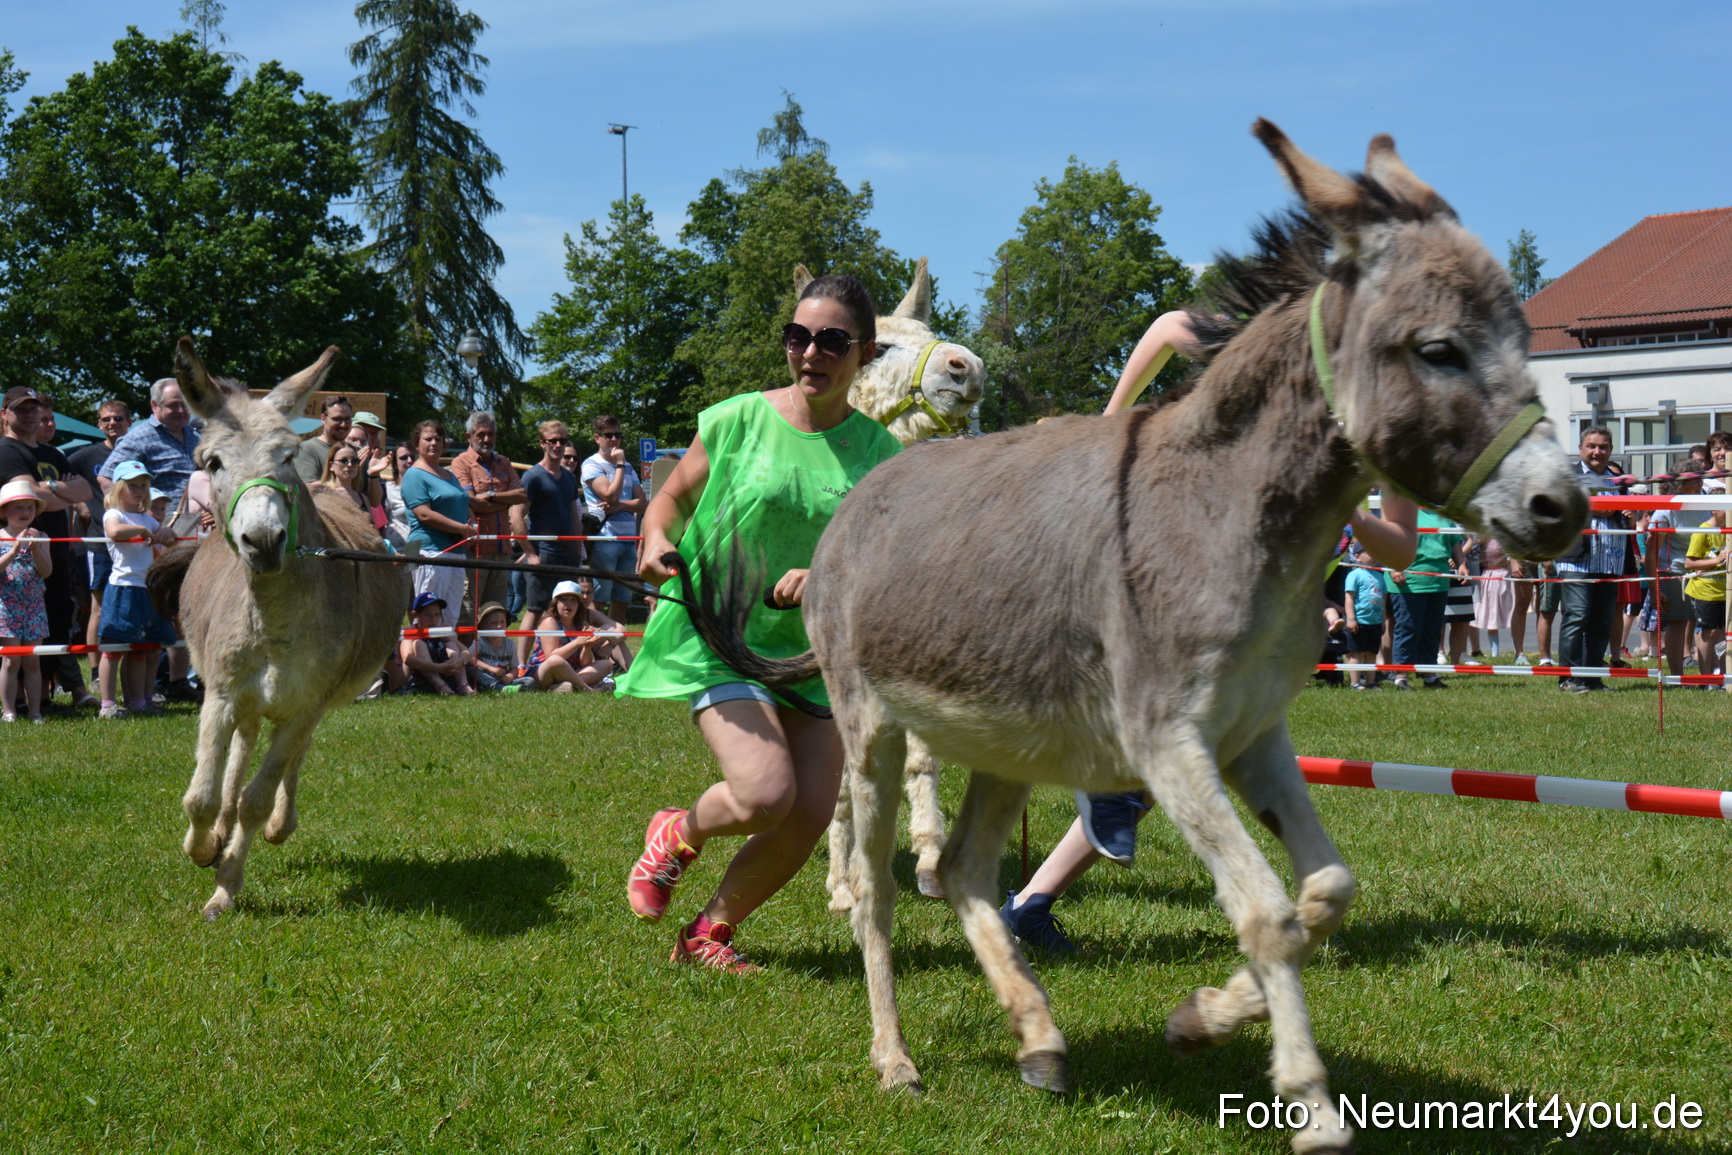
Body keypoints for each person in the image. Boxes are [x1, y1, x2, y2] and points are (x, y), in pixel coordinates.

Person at [1001, 311, 1421, 953]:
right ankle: (1097, 758)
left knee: (1169, 762)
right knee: (1173, 741)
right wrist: (1113, 417)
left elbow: (1402, 552)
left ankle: (1031, 903)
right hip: (1195, 571)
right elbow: (1172, 328)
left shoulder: (1393, 435)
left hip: (1274, 625)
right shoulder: (1296, 366)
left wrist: (1354, 512)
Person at [618, 273, 901, 972]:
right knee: (765, 791)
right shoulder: (737, 419)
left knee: (806, 812)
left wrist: (827, 577)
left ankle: (708, 933)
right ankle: (677, 832)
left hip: (813, 651)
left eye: (832, 340)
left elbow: (889, 562)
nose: (812, 352)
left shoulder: (881, 456)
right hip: (722, 630)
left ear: (864, 353)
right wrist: (654, 541)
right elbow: (671, 501)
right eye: (798, 336)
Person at [0, 386, 99, 711]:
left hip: (56, 552)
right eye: (21, 409)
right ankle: (15, 702)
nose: (30, 415)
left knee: (53, 625)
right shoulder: (7, 450)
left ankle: (41, 698)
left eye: (34, 409)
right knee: (15, 635)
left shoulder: (53, 454)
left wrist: (52, 488)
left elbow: (84, 490)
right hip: (18, 559)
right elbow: (31, 496)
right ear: (5, 414)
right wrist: (58, 492)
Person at [98, 461, 179, 718]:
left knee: (143, 649)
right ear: (119, 487)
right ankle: (108, 704)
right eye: (132, 485)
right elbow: (114, 532)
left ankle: (139, 700)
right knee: (113, 650)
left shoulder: (146, 517)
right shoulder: (114, 514)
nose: (139, 490)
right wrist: (143, 529)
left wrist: (166, 532)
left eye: (143, 485)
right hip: (123, 589)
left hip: (146, 589)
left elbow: (170, 538)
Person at [1555, 426, 1625, 693]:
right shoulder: (1568, 477)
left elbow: (1618, 511)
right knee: (1576, 618)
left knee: (1601, 623)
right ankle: (1568, 678)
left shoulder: (1617, 480)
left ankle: (1592, 679)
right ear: (1581, 448)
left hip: (1610, 560)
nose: (1598, 452)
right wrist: (1601, 509)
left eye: (1604, 447)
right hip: (1576, 561)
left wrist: (1624, 512)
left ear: (1610, 449)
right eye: (1592, 446)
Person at [514, 421, 586, 670]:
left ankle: (565, 659)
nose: (558, 445)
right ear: (542, 443)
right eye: (553, 441)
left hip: (568, 554)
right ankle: (521, 665)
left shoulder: (568, 477)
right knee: (534, 609)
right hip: (543, 553)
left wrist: (578, 548)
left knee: (569, 610)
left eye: (562, 441)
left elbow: (574, 514)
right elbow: (517, 516)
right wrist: (530, 553)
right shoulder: (532, 476)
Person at [69, 399, 131, 671]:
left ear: (129, 421)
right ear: (99, 424)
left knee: (135, 606)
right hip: (100, 542)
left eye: (118, 418)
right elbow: (61, 477)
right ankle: (95, 671)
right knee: (98, 607)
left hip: (135, 542)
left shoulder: (136, 453)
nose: (112, 423)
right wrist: (80, 505)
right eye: (106, 419)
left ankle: (136, 673)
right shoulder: (86, 455)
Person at [449, 411, 526, 627]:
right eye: (481, 434)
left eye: (490, 434)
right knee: (469, 612)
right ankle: (467, 658)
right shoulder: (460, 463)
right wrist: (505, 501)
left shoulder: (504, 462)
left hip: (502, 551)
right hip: (476, 551)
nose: (486, 439)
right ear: (468, 437)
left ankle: (492, 659)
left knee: (496, 614)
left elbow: (522, 495)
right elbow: (472, 502)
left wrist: (492, 496)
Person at [400, 419, 476, 629]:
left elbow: (463, 502)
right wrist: (462, 529)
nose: (434, 443)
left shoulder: (449, 474)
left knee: (450, 616)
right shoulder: (414, 475)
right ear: (417, 444)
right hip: (429, 551)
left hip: (456, 552)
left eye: (438, 439)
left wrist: (471, 528)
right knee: (428, 614)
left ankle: (445, 656)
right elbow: (424, 514)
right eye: (428, 439)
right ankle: (422, 658)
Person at [581, 414, 647, 625]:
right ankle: (589, 648)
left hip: (628, 539)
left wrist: (619, 506)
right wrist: (619, 465)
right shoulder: (592, 465)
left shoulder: (628, 467)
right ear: (597, 438)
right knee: (599, 599)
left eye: (618, 435)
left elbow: (642, 501)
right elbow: (610, 494)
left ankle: (613, 650)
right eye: (608, 435)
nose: (614, 440)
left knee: (622, 600)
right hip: (604, 539)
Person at [0, 478, 52, 723]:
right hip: (7, 607)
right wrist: (13, 550)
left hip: (34, 607)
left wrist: (34, 549)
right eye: (18, 507)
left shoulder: (41, 537)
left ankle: (35, 711)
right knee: (11, 659)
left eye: (29, 508)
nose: (24, 513)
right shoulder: (0, 537)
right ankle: (8, 710)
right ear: (4, 511)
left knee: (32, 659)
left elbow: (46, 571)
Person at [98, 378, 199, 501]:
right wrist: (137, 512)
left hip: (203, 518)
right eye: (173, 405)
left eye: (185, 405)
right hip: (164, 519)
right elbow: (106, 478)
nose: (181, 411)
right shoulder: (139, 438)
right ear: (155, 406)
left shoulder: (196, 436)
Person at [1637, 472, 1694, 678]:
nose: (1699, 483)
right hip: (1673, 574)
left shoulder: (1705, 504)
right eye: (1693, 480)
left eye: (1700, 479)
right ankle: (1677, 675)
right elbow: (1651, 552)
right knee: (1677, 622)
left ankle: (1713, 673)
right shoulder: (1664, 512)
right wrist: (1654, 588)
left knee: (1707, 626)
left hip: (1704, 574)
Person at [529, 579, 617, 693]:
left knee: (606, 664)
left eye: (573, 600)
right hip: (544, 671)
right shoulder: (550, 622)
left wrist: (587, 646)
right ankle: (589, 689)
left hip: (572, 670)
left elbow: (584, 663)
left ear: (578, 604)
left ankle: (563, 686)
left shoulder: (581, 624)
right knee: (556, 661)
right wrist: (577, 643)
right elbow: (550, 656)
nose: (568, 604)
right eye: (563, 600)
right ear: (556, 603)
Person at [1683, 506, 1729, 688]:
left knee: (1726, 634)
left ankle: (1725, 677)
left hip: (1726, 590)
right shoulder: (1702, 532)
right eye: (1726, 509)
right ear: (1713, 510)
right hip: (1705, 591)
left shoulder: (1729, 531)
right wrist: (1717, 560)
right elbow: (1689, 563)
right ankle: (1706, 678)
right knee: (1707, 633)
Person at [401, 591, 474, 695]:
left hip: (443, 671)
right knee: (419, 644)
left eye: (437, 615)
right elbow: (407, 658)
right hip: (417, 678)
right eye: (428, 615)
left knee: (452, 645)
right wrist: (437, 667)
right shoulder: (411, 632)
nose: (433, 620)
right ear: (416, 615)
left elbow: (466, 651)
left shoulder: (440, 630)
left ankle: (463, 685)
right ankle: (440, 686)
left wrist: (461, 661)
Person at [1343, 543, 1385, 689]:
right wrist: (1351, 619)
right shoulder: (1354, 575)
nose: (1373, 555)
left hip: (1374, 621)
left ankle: (1370, 682)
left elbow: (1383, 600)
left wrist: (1383, 620)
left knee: (1371, 653)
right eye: (1368, 552)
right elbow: (1349, 598)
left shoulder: (1380, 576)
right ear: (1357, 557)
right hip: (1359, 621)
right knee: (1356, 653)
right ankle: (1355, 683)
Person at [293, 394, 354, 483]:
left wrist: (372, 476)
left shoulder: (357, 453)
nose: (343, 424)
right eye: (337, 419)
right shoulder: (307, 449)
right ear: (323, 418)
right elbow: (311, 488)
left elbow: (373, 496)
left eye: (347, 419)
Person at [1471, 537, 1515, 658]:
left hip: (1506, 576)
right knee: (1492, 617)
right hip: (1490, 577)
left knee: (1514, 616)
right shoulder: (1482, 538)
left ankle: (1518, 651)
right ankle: (1495, 653)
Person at [468, 600, 518, 691]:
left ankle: (498, 687)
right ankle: (498, 688)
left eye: (502, 622)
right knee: (472, 671)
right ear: (482, 626)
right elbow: (470, 658)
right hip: (484, 675)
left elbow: (515, 668)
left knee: (530, 681)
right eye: (493, 623)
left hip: (502, 678)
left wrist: (509, 677)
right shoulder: (480, 642)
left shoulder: (511, 644)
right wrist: (490, 668)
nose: (499, 626)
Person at [316, 443, 370, 514]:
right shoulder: (323, 495)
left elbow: (373, 523)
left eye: (354, 461)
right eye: (343, 461)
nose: (350, 465)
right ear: (331, 466)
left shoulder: (363, 498)